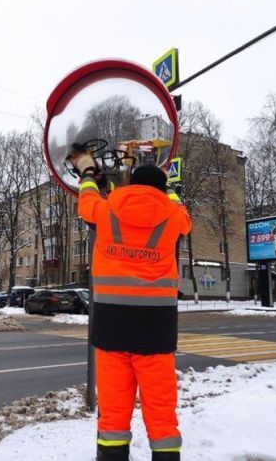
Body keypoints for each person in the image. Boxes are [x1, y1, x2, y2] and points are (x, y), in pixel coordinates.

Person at [71, 150, 192, 461]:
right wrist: (169, 191)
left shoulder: (108, 209)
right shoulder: (173, 215)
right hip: (155, 332)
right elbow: (185, 218)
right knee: (162, 414)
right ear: (161, 189)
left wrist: (87, 175)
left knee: (112, 414)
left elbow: (85, 202)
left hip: (110, 328)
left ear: (133, 185)